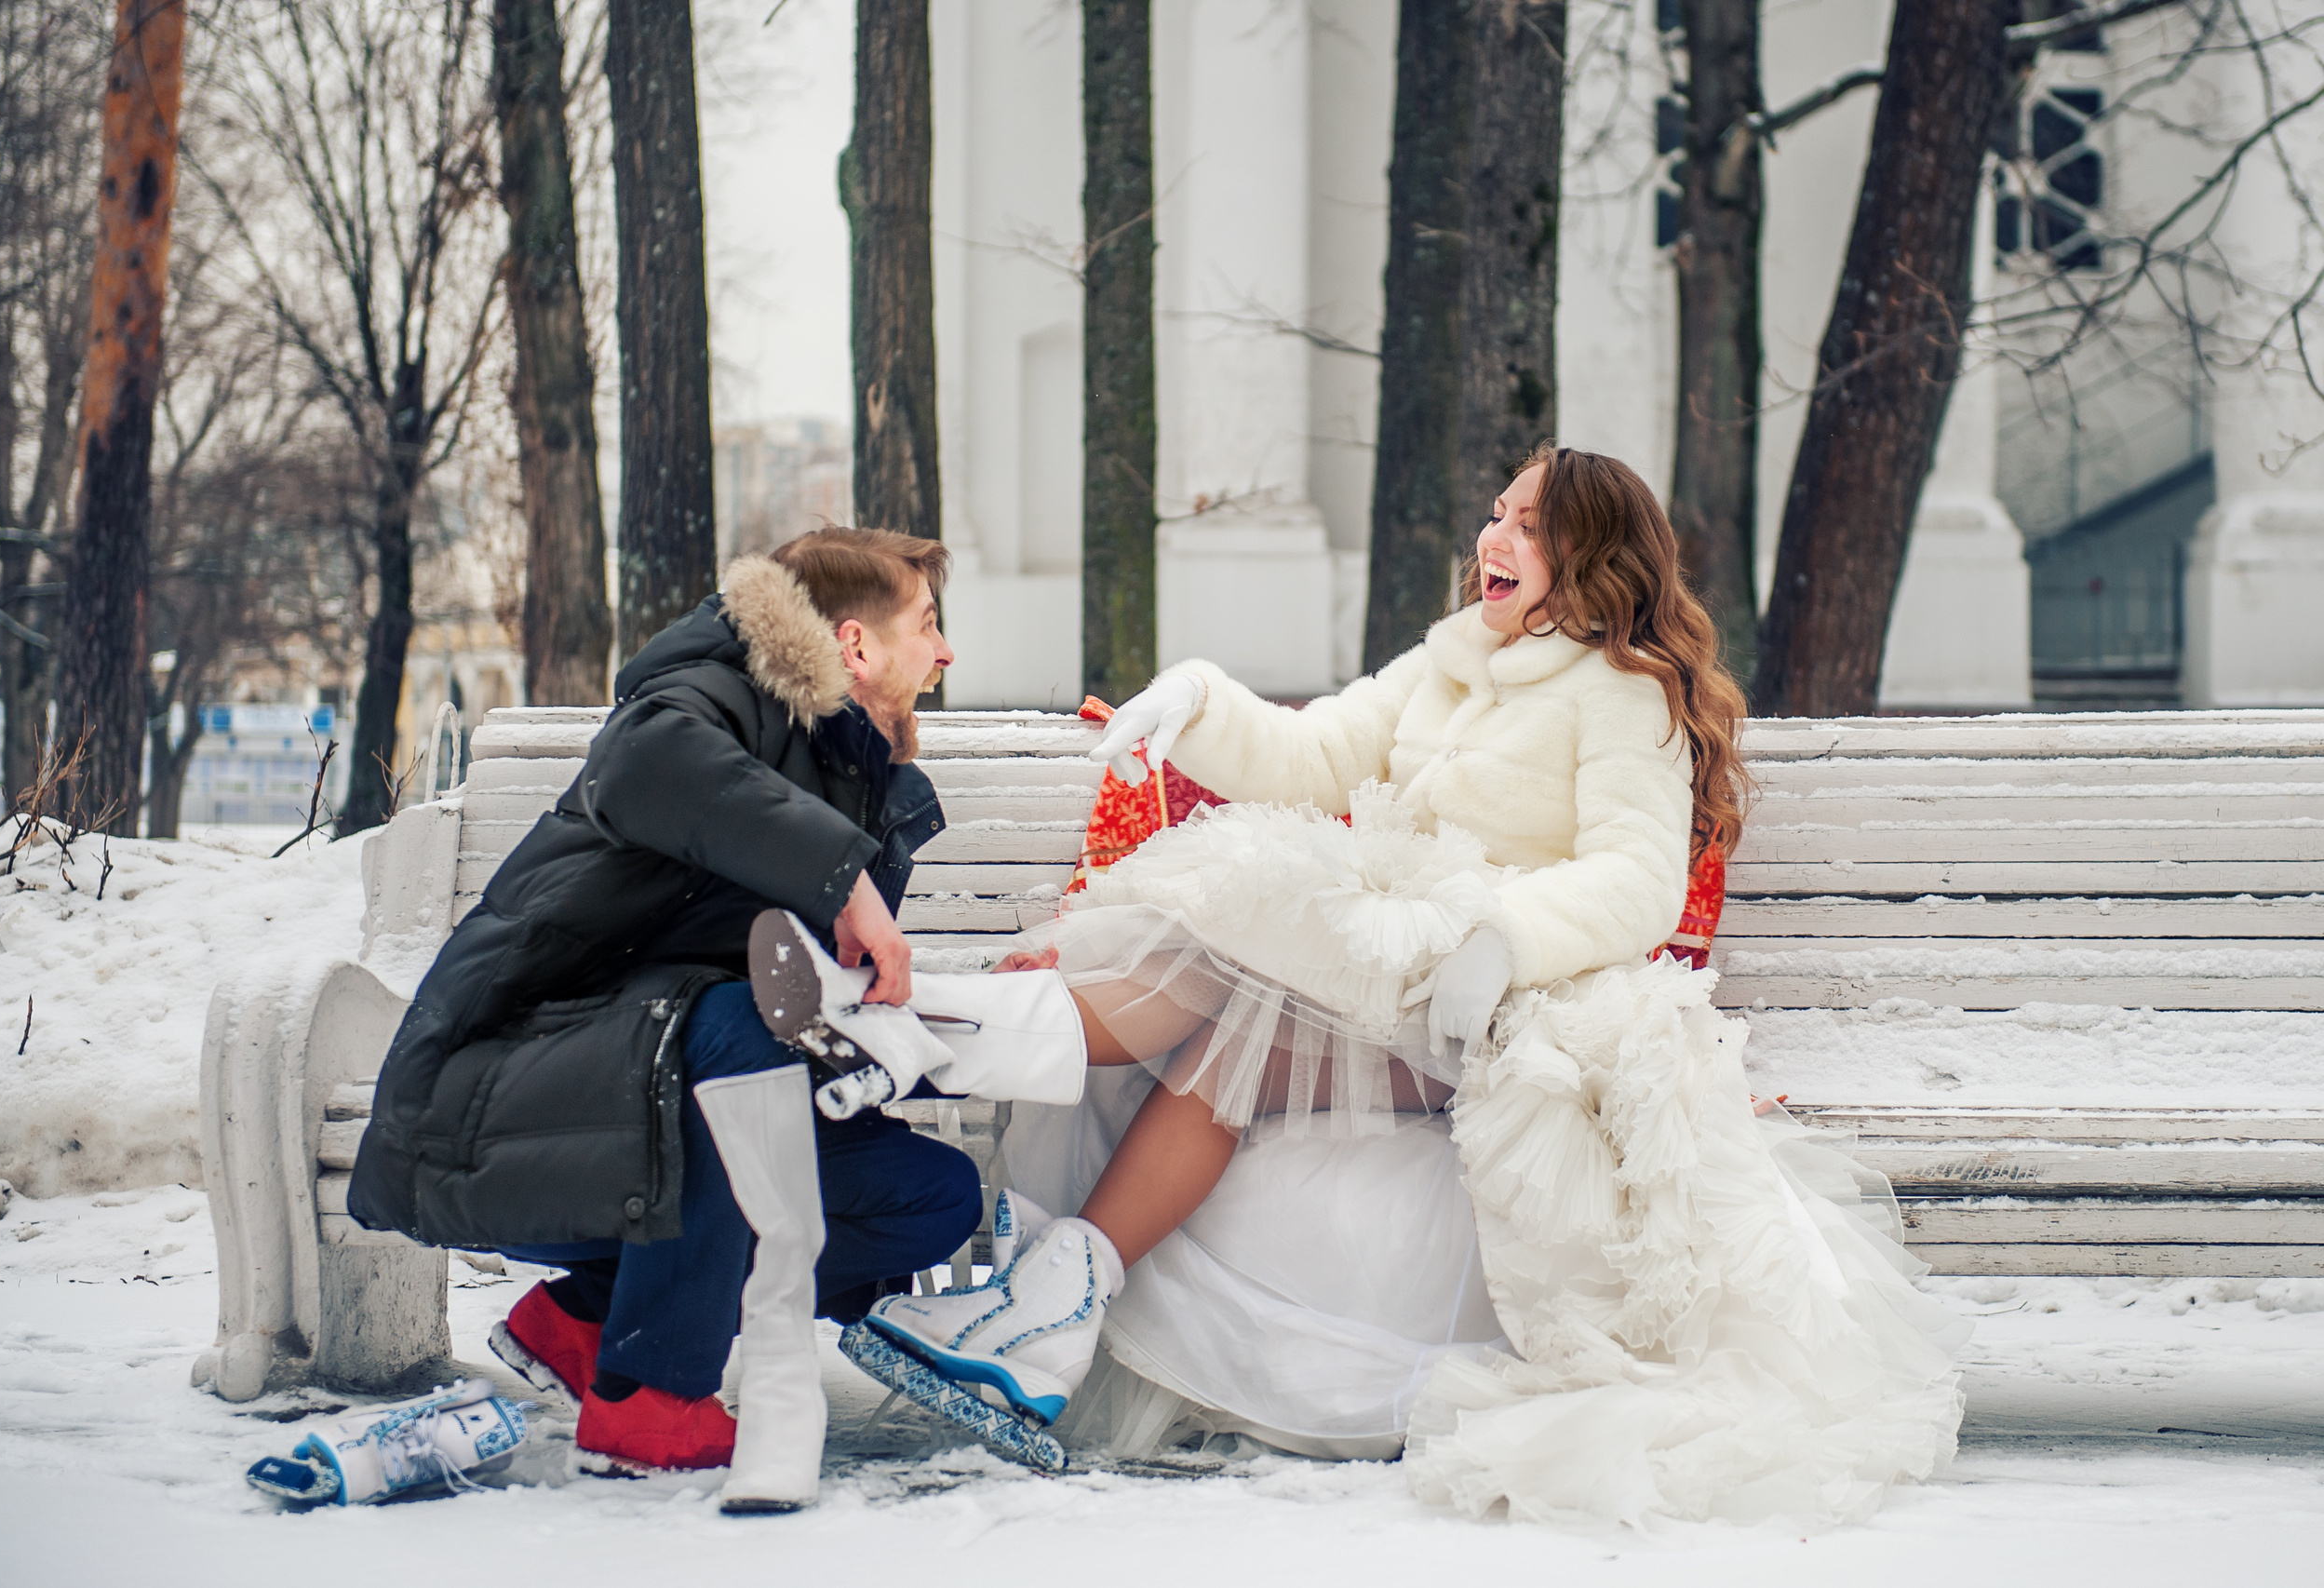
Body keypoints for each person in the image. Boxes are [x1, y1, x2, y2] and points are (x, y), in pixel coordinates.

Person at [828, 445, 1968, 1527]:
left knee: (1238, 993)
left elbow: (1636, 881)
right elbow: (1316, 754)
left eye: (1530, 521)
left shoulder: (1624, 690)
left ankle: (920, 1036)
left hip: (1512, 1005)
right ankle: (1029, 1279)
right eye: (1497, 512)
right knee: (1225, 1024)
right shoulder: (1450, 658)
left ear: (1593, 558)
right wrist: (1201, 704)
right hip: (1393, 975)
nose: (1496, 532)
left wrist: (1503, 937)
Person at [344, 528, 1088, 1514]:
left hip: (652, 1095)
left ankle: (584, 1323)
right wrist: (844, 877)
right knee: (735, 1029)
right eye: (930, 624)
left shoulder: (853, 769)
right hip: (508, 1075)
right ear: (855, 644)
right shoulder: (706, 693)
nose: (945, 653)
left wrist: (935, 1005)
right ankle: (650, 1400)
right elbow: (656, 765)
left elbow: (799, 995)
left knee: (928, 1195)